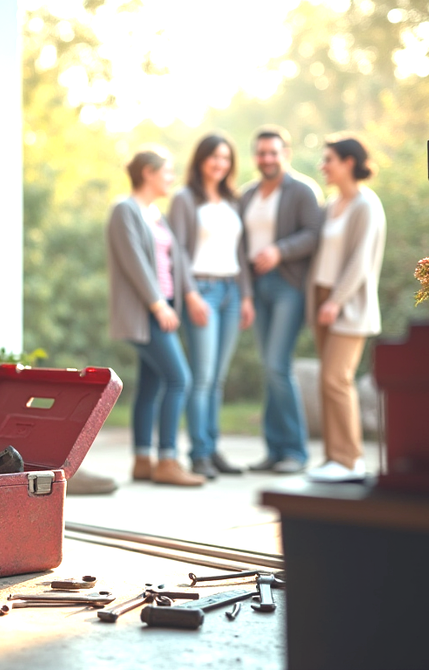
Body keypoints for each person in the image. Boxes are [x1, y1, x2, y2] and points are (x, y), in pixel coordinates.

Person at [107, 146, 209, 486]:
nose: (171, 177)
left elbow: (174, 261)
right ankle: (167, 460)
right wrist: (158, 304)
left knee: (151, 385)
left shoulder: (154, 213)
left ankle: (142, 460)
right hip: (148, 310)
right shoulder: (125, 210)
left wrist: (184, 298)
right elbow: (134, 261)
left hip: (161, 305)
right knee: (180, 379)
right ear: (147, 173)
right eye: (167, 171)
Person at [168, 133, 255, 480]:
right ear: (201, 160)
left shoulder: (233, 201)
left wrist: (246, 295)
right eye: (213, 157)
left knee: (217, 379)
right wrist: (189, 295)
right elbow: (178, 253)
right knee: (201, 378)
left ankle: (213, 450)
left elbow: (241, 253)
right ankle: (199, 453)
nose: (220, 164)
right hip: (201, 289)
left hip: (232, 291)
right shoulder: (185, 199)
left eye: (225, 158)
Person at [238, 126, 324, 474]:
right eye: (261, 153)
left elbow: (314, 234)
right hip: (257, 288)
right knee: (269, 367)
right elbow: (239, 248)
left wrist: (279, 251)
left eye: (273, 152)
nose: (267, 159)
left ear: (284, 153)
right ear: (255, 157)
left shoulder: (303, 190)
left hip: (289, 285)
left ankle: (295, 453)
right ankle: (274, 452)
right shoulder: (247, 195)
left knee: (277, 364)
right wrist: (245, 293)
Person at [305, 135, 386, 482]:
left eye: (329, 160)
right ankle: (333, 457)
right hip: (323, 299)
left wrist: (336, 300)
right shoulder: (332, 203)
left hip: (348, 304)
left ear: (349, 163)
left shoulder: (366, 204)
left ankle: (351, 460)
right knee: (328, 381)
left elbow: (361, 261)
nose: (323, 166)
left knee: (337, 379)